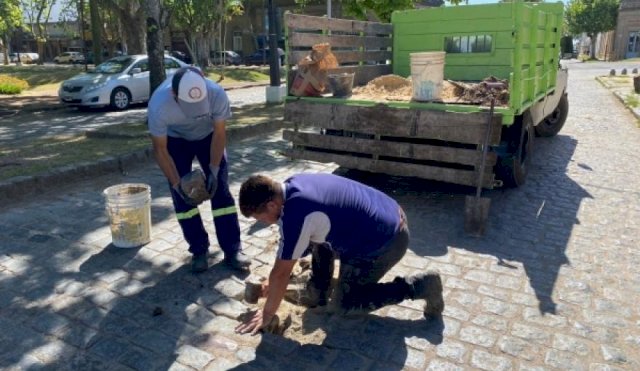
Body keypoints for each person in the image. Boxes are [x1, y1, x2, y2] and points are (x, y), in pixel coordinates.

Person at [234, 173, 444, 335]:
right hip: (387, 213)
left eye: (260, 218)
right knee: (317, 239)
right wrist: (274, 286)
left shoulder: (297, 215)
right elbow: (299, 248)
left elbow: (280, 272)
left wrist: (268, 313)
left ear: (272, 204)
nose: (264, 223)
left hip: (385, 241)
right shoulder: (292, 185)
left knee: (346, 304)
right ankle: (319, 290)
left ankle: (422, 286)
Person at [147, 66, 250, 273]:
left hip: (208, 137)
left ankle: (232, 249)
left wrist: (213, 169)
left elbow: (220, 134)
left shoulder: (216, 93)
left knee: (220, 191)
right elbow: (160, 150)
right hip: (175, 140)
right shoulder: (158, 105)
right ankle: (199, 250)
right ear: (173, 95)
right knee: (183, 198)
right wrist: (177, 185)